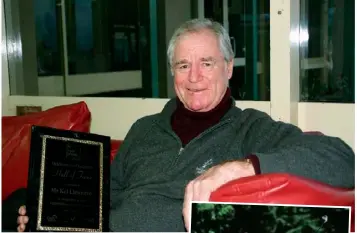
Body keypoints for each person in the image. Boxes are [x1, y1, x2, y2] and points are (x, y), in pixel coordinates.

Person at [16, 18, 354, 232]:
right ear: (172, 72)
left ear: (229, 68)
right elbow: (108, 194)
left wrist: (237, 168)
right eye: (183, 65)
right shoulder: (144, 128)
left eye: (206, 63)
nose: (193, 78)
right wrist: (51, 213)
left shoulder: (252, 128)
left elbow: (342, 159)